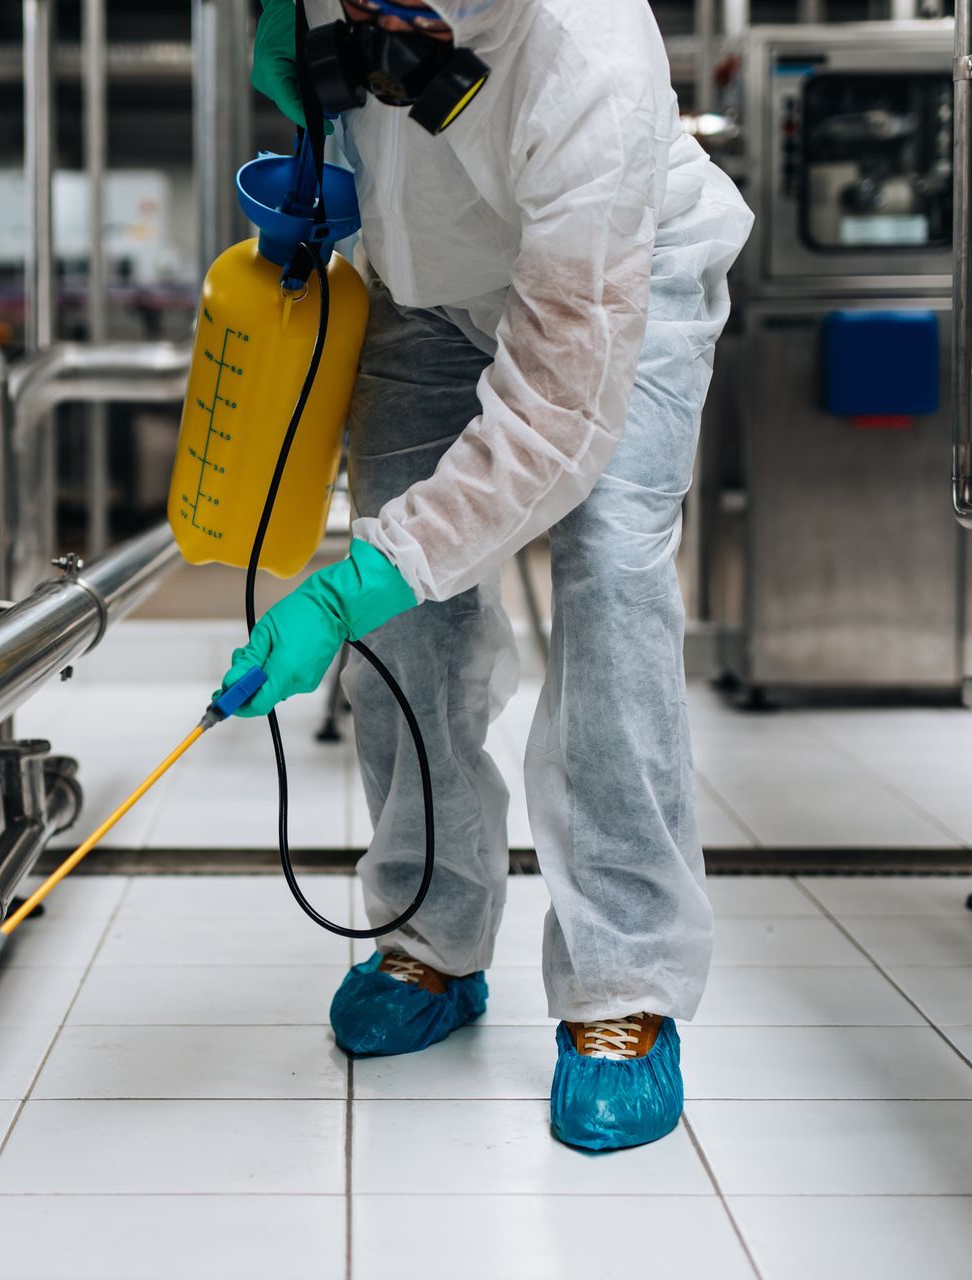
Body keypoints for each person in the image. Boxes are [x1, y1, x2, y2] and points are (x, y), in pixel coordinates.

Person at [225, 0, 752, 1150]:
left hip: (616, 283)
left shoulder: (590, 54)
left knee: (610, 581)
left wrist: (351, 583)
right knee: (411, 635)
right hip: (421, 285)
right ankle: (431, 928)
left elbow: (557, 414)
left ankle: (623, 985)